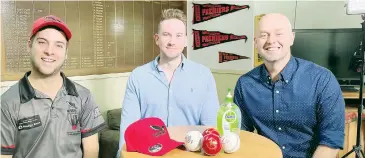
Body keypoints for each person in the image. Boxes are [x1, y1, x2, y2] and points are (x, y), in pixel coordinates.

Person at [234, 13, 345, 158]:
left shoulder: (322, 80)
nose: (271, 40)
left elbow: (331, 141)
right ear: (255, 42)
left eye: (279, 33)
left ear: (292, 37)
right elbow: (242, 135)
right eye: (263, 35)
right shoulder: (245, 84)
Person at [117, 8, 220, 157]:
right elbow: (128, 130)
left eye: (178, 36)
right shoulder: (138, 77)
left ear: (186, 40)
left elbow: (210, 128)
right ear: (157, 39)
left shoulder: (203, 75)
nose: (172, 42)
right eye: (166, 35)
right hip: (148, 154)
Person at [1, 15, 106, 158]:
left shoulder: (83, 96)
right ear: (29, 46)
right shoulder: (7, 103)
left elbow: (91, 150)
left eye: (59, 45)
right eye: (42, 42)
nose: (50, 51)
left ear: (66, 53)